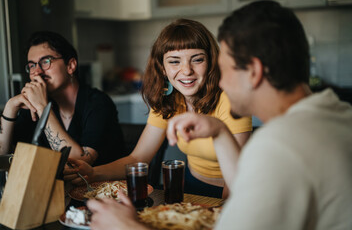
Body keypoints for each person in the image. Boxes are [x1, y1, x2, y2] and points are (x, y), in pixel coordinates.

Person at [86, 0, 352, 230]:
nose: (219, 82)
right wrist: (220, 133)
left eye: (224, 70)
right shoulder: (340, 114)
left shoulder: (277, 147)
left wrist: (130, 226)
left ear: (254, 72)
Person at [65, 18, 252, 198]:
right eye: (174, 61)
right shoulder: (168, 100)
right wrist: (92, 172)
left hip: (231, 190)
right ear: (162, 68)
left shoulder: (230, 100)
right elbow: (138, 158)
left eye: (197, 59)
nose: (186, 70)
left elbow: (239, 176)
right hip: (190, 185)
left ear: (211, 62)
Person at [0, 31, 125, 166]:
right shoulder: (34, 105)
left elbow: (79, 164)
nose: (36, 71)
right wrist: (10, 107)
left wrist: (42, 108)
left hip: (108, 186)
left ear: (70, 65)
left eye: (45, 61)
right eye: (32, 65)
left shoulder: (98, 103)